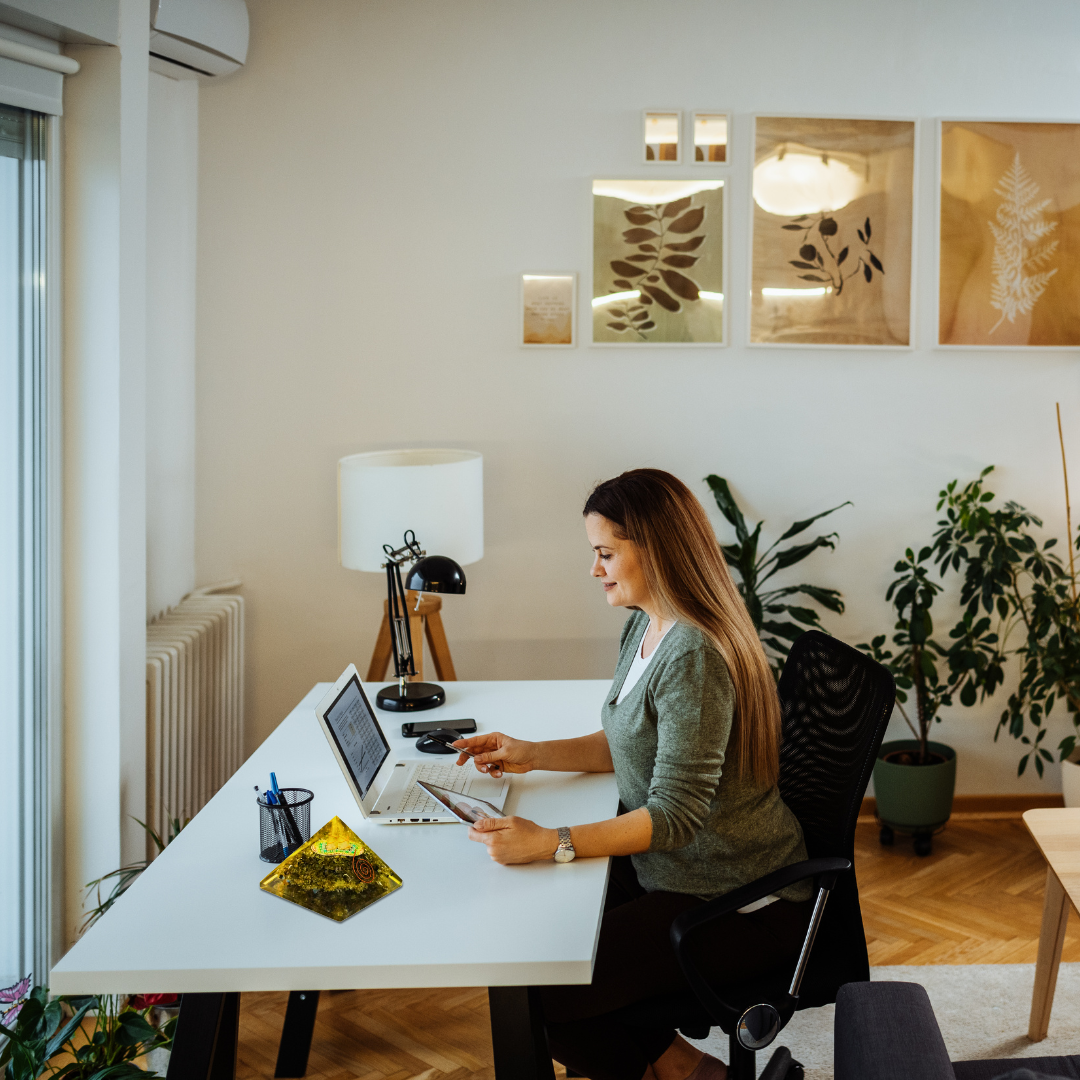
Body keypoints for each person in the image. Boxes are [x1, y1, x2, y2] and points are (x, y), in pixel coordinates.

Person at [453, 468, 812, 1080]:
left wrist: (551, 842)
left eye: (605, 553)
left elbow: (673, 817)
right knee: (532, 956)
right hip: (678, 871)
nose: (595, 570)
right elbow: (628, 741)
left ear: (657, 547)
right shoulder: (647, 625)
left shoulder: (693, 653)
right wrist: (530, 752)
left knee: (542, 994)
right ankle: (695, 1073)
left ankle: (686, 1074)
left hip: (737, 898)